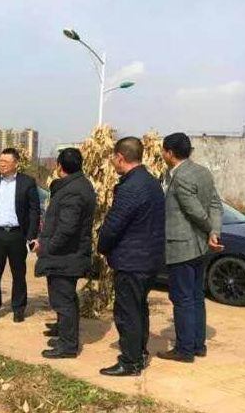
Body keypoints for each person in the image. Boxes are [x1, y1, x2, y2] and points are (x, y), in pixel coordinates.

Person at [97, 137, 166, 376]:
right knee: (138, 308)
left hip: (132, 260)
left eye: (113, 158)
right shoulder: (151, 182)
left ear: (120, 158)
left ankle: (130, 361)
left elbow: (114, 225)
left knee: (127, 312)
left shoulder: (130, 187)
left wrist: (103, 247)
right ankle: (139, 352)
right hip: (149, 258)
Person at [157, 132, 223, 363]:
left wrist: (209, 228)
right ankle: (197, 345)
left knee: (182, 298)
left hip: (182, 247)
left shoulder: (180, 176)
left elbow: (194, 210)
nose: (162, 154)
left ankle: (184, 350)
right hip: (201, 247)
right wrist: (214, 232)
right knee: (195, 296)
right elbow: (216, 204)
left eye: (163, 151)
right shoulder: (202, 172)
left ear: (170, 153)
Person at [32, 148, 96, 359]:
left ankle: (68, 346)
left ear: (59, 166)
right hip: (69, 255)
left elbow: (67, 229)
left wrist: (46, 247)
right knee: (67, 297)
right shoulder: (79, 185)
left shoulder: (73, 190)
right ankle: (65, 335)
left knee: (63, 300)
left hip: (66, 256)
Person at [0, 147, 40, 323]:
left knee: (19, 274)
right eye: (0, 161)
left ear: (16, 163)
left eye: (6, 161)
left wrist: (31, 235)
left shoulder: (27, 182)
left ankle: (18, 309)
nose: (2, 164)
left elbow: (34, 211)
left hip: (17, 235)